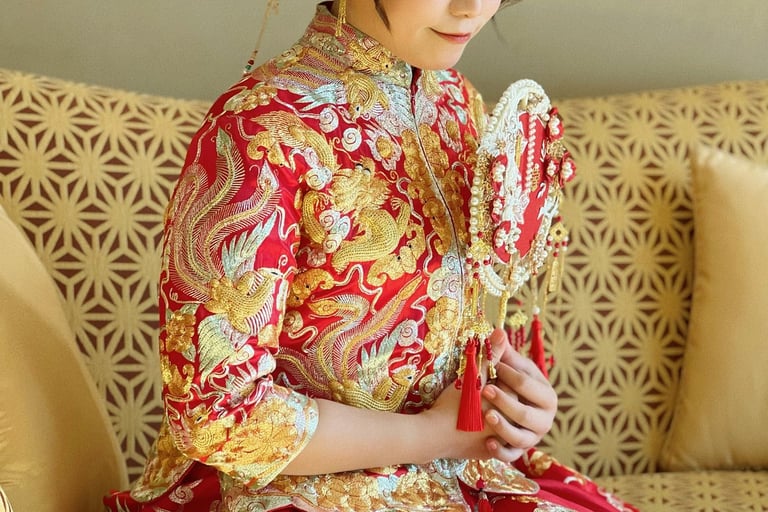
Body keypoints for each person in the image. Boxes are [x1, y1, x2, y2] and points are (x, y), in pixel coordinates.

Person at [105, 1, 638, 510]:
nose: (472, 6)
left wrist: (511, 412)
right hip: (286, 492)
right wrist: (434, 434)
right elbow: (215, 415)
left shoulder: (459, 104)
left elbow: (464, 344)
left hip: (457, 478)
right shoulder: (260, 129)